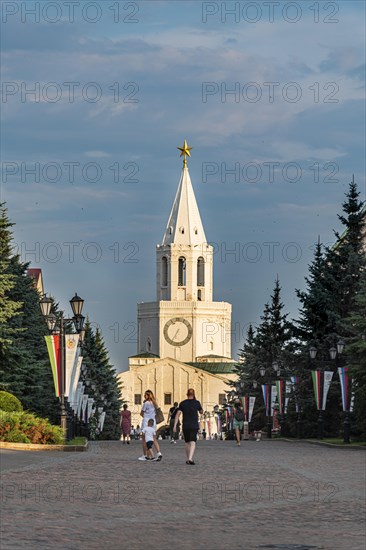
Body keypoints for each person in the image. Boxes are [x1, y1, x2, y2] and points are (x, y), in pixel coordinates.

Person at [173, 388, 203, 465]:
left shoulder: (182, 403)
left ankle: (188, 458)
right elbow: (201, 411)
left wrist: (175, 425)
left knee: (187, 442)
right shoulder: (197, 403)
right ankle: (190, 458)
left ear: (187, 394)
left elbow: (177, 414)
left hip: (185, 425)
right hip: (194, 425)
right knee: (193, 442)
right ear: (194, 394)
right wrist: (200, 410)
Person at [138, 389, 162, 461]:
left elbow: (141, 413)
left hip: (146, 422)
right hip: (153, 422)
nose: (144, 396)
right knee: (153, 438)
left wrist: (145, 416)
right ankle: (158, 453)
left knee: (144, 439)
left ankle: (145, 455)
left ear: (147, 395)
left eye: (145, 395)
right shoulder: (154, 403)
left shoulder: (146, 403)